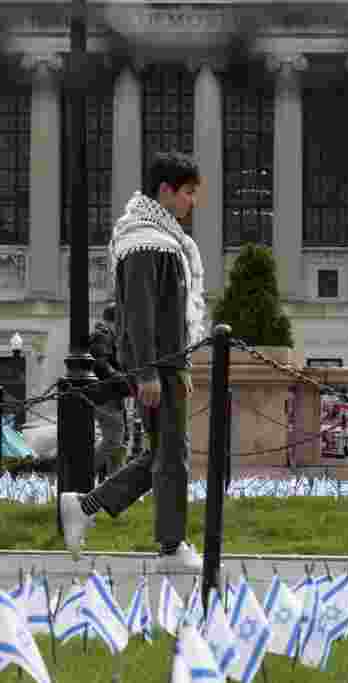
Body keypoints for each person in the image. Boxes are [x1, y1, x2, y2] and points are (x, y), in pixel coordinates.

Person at [61, 151, 207, 572]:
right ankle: (171, 547)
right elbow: (140, 315)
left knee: (163, 454)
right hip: (158, 366)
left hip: (165, 365)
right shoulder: (146, 243)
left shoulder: (157, 239)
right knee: (172, 455)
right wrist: (147, 372)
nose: (191, 203)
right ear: (165, 191)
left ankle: (87, 507)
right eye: (188, 193)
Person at [88, 302, 128, 480]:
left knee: (118, 444)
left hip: (111, 396)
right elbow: (100, 364)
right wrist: (120, 377)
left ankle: (115, 486)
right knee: (113, 440)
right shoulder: (102, 335)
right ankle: (83, 474)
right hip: (106, 397)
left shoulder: (107, 335)